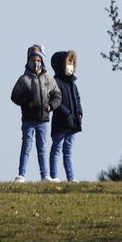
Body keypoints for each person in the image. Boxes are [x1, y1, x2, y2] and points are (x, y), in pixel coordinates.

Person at [10, 44, 61, 182]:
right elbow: (14, 96)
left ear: (42, 61)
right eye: (33, 60)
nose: (36, 63)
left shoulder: (48, 79)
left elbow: (57, 95)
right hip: (28, 119)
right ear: (28, 61)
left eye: (38, 60)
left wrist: (51, 106)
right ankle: (21, 174)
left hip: (43, 119)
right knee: (26, 146)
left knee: (42, 148)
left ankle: (45, 175)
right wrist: (27, 102)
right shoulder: (24, 79)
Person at [50, 49, 83, 183]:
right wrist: (67, 114)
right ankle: (54, 176)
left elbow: (77, 99)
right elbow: (56, 102)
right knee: (57, 148)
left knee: (68, 149)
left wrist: (79, 111)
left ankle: (71, 177)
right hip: (61, 121)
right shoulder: (55, 82)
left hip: (73, 122)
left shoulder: (72, 83)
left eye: (72, 62)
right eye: (68, 62)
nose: (71, 65)